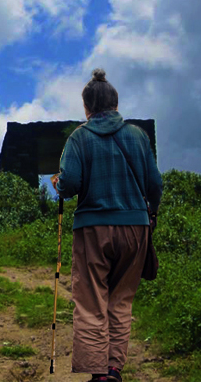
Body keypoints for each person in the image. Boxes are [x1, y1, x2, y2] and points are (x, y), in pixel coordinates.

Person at [52, 68, 162, 382]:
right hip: (135, 228)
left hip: (92, 229)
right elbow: (155, 184)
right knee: (121, 299)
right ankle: (114, 368)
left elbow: (70, 183)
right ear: (115, 103)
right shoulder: (138, 136)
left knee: (90, 302)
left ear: (87, 107)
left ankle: (98, 373)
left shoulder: (79, 137)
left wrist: (60, 186)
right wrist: (150, 214)